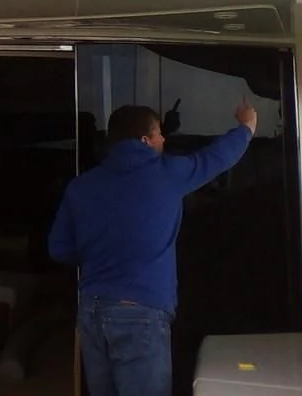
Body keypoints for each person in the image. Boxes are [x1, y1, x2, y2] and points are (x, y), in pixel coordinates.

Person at [48, 99, 257, 396]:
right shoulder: (168, 173)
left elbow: (58, 248)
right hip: (139, 314)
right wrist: (247, 126)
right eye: (159, 133)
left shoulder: (81, 186)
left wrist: (101, 254)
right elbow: (217, 157)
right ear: (145, 140)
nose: (164, 139)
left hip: (91, 311)